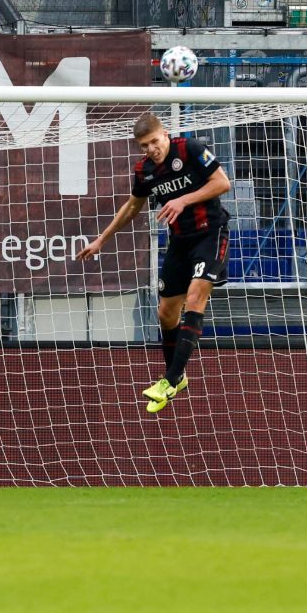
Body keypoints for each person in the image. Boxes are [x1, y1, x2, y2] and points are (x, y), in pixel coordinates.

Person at [77, 112, 231, 412]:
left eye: (154, 142)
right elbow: (133, 206)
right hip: (180, 242)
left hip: (210, 234)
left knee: (196, 296)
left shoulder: (190, 150)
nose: (151, 149)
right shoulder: (145, 170)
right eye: (144, 145)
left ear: (166, 136)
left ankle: (170, 380)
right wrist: (101, 240)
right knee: (165, 313)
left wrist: (183, 200)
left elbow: (222, 183)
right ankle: (178, 376)